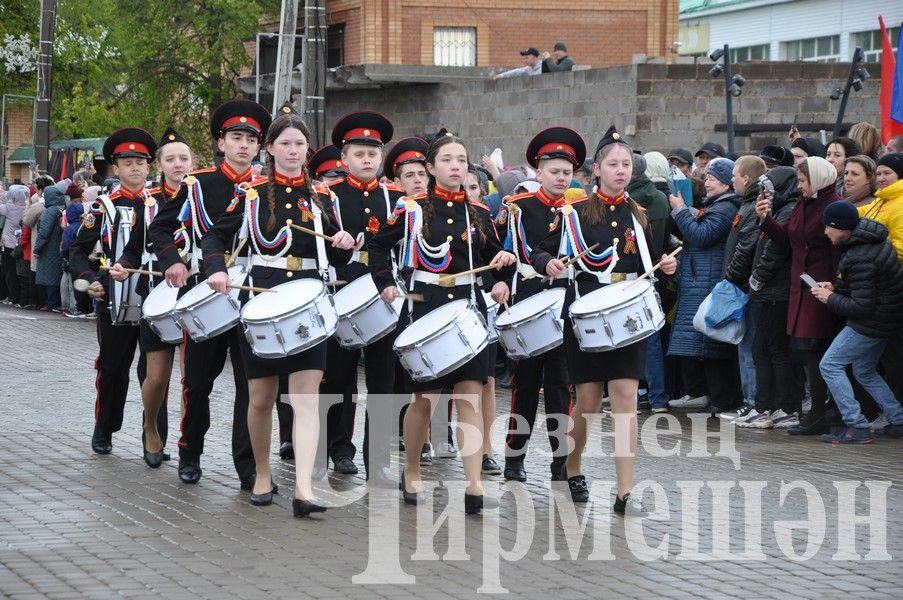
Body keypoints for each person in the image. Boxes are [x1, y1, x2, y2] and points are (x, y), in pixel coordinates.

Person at [202, 107, 355, 516]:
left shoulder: (324, 196)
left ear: (308, 150)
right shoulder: (249, 194)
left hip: (307, 303)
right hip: (263, 298)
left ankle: (304, 488)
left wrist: (343, 245)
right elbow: (214, 237)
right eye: (284, 143)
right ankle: (264, 473)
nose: (292, 150)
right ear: (269, 149)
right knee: (261, 397)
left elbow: (337, 263)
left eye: (299, 144)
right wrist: (216, 271)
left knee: (305, 399)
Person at [530, 126, 677, 515]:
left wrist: (667, 266)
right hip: (586, 315)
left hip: (627, 317)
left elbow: (654, 260)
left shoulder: (639, 213)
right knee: (589, 401)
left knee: (626, 397)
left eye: (626, 164)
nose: (621, 170)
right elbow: (538, 252)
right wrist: (551, 262)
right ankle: (571, 466)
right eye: (613, 164)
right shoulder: (574, 213)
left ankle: (624, 492)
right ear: (597, 169)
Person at [369, 131, 516, 515]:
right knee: (424, 400)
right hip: (425, 304)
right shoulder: (412, 208)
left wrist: (501, 273)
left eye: (461, 160)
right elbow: (378, 246)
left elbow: (492, 253)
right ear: (432, 168)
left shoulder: (480, 213)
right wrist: (386, 283)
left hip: (468, 308)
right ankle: (413, 468)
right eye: (447, 160)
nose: (456, 166)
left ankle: (473, 484)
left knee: (469, 395)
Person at [148, 99, 271, 488]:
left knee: (248, 386)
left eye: (251, 139)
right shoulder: (198, 183)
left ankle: (247, 466)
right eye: (236, 137)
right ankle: (190, 451)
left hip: (253, 293)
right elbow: (160, 229)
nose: (244, 146)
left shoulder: (267, 187)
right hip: (206, 289)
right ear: (221, 143)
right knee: (198, 382)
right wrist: (172, 260)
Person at [320, 111, 405, 483]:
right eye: (359, 153)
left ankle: (379, 460)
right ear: (344, 159)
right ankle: (339, 447)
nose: (367, 159)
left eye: (373, 152)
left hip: (385, 295)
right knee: (339, 378)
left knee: (383, 382)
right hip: (343, 293)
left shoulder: (400, 198)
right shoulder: (329, 196)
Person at [499, 127, 584, 483]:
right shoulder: (519, 207)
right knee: (526, 383)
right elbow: (508, 248)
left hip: (564, 302)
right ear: (538, 172)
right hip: (530, 298)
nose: (561, 178)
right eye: (554, 171)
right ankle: (514, 456)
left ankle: (560, 460)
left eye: (567, 172)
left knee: (562, 385)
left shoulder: (578, 209)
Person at [69, 128, 158, 455]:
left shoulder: (160, 203)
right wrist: (89, 278)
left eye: (141, 162)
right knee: (112, 368)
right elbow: (78, 250)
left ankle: (154, 438)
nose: (135, 168)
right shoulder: (103, 208)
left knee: (154, 372)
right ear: (115, 168)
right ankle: (104, 429)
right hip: (114, 298)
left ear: (149, 166)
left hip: (153, 299)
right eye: (127, 162)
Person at [109, 127, 193, 468]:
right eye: (170, 159)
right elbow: (132, 251)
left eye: (184, 158)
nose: (178, 164)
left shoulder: (204, 197)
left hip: (194, 295)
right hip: (156, 297)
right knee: (157, 377)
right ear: (158, 164)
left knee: (193, 378)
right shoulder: (150, 203)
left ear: (193, 162)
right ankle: (150, 426)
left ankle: (188, 442)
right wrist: (123, 267)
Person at [755, 156, 840, 435]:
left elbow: (837, 250)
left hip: (822, 285)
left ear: (817, 180)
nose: (800, 186)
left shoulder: (832, 205)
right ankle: (817, 410)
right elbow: (788, 239)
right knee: (805, 349)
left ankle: (819, 412)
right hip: (800, 285)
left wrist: (838, 283)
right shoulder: (805, 202)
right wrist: (765, 220)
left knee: (815, 349)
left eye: (804, 181)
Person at [814, 202, 903, 443]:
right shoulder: (866, 243)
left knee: (830, 365)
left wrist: (830, 298)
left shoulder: (859, 255)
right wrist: (835, 287)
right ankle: (898, 420)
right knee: (864, 370)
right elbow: (863, 287)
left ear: (841, 227)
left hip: (873, 322)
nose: (825, 232)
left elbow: (862, 306)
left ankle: (856, 425)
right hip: (887, 319)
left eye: (828, 227)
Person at [668, 157, 742, 412]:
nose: (706, 183)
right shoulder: (718, 205)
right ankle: (713, 397)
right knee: (705, 345)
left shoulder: (725, 208)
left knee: (712, 345)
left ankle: (723, 401)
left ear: (725, 183)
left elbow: (702, 235)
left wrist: (680, 211)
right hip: (701, 279)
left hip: (709, 281)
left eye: (711, 178)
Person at [737, 166, 804, 429]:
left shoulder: (787, 210)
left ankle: (774, 407)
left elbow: (777, 249)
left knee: (769, 349)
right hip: (771, 290)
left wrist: (756, 279)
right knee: (766, 349)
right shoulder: (778, 210)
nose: (764, 194)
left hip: (777, 290)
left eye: (769, 189)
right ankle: (772, 406)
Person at [720, 155, 767, 419]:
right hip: (743, 285)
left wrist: (731, 278)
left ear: (746, 178)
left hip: (745, 287)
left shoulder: (751, 207)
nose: (732, 180)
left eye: (735, 175)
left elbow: (746, 247)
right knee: (746, 345)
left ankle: (751, 402)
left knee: (748, 347)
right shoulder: (747, 204)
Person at [861, 153, 903, 261]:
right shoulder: (883, 197)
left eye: (886, 173)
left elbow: (900, 249)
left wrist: (873, 263)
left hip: (887, 273)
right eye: (878, 174)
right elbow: (864, 211)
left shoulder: (900, 203)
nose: (881, 179)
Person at [34, 185, 66, 312]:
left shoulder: (51, 211)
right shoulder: (60, 208)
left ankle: (51, 303)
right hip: (57, 247)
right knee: (55, 275)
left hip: (49, 248)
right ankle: (54, 302)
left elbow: (44, 232)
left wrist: (37, 249)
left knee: (50, 277)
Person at [0, 184, 28, 305]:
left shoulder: (10, 208)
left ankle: (12, 296)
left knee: (9, 271)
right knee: (19, 272)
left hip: (8, 244)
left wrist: (4, 196)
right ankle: (18, 296)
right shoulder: (27, 209)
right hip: (20, 244)